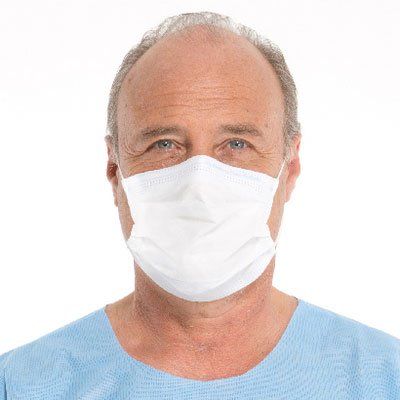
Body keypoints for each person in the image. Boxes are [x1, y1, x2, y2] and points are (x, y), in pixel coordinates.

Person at [1, 11, 399, 399]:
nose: (199, 185)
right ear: (115, 171)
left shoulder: (383, 379)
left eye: (237, 144)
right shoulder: (23, 384)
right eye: (164, 144)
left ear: (289, 168)